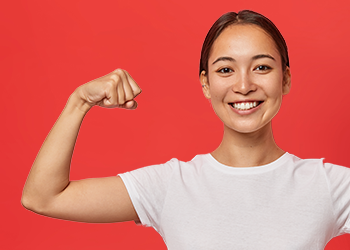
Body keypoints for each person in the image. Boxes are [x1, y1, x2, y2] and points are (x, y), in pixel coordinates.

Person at [21, 10, 350, 249]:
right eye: (225, 70)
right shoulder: (171, 185)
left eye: (262, 67)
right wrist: (78, 102)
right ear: (206, 84)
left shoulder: (327, 185)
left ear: (286, 79)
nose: (245, 85)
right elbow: (43, 197)